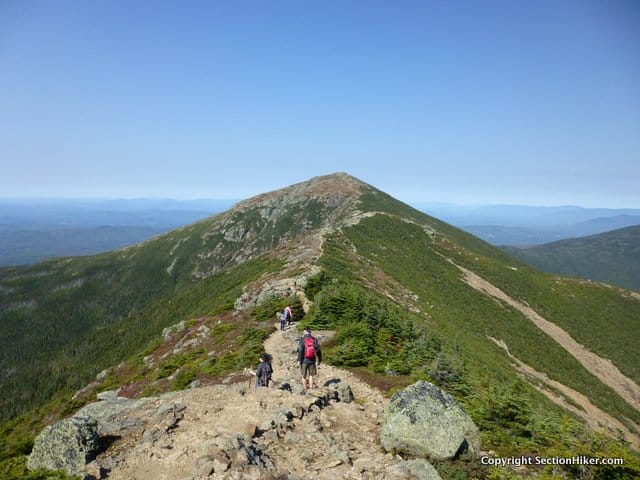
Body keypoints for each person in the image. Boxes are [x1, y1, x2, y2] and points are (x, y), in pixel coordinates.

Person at [297, 328, 322, 393]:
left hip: (304, 360)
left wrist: (299, 360)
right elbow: (318, 350)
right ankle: (311, 389)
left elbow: (300, 350)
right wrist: (319, 359)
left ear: (304, 332)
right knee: (311, 375)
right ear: (310, 332)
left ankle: (305, 389)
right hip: (312, 360)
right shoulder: (314, 339)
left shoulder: (302, 339)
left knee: (303, 375)